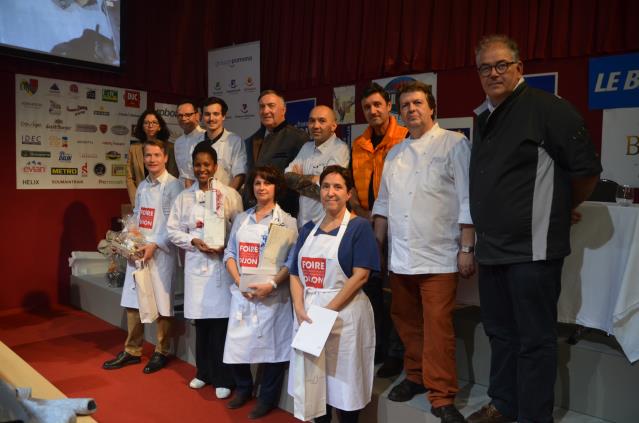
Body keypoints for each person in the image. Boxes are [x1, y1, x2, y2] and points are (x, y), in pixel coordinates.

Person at [466, 35, 601, 423]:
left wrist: (560, 207)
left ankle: (533, 416)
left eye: (501, 65)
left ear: (519, 67)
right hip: (492, 249)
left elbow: (586, 172)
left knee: (535, 341)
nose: (493, 73)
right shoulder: (485, 116)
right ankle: (503, 404)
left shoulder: (547, 109)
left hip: (534, 251)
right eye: (485, 67)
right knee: (499, 334)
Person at [372, 81, 474, 423]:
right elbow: (383, 204)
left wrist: (466, 247)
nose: (411, 109)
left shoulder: (455, 143)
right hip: (400, 257)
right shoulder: (396, 152)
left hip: (440, 256)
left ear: (431, 108)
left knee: (438, 327)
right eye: (405, 105)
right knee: (406, 321)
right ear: (399, 113)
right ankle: (415, 376)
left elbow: (467, 200)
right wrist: (377, 249)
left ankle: (442, 395)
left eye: (417, 103)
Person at [289, 165, 380, 423]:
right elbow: (295, 272)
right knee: (315, 385)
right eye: (326, 186)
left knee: (344, 386)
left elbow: (361, 275)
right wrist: (298, 306)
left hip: (344, 317)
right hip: (309, 318)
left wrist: (327, 310)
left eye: (338, 187)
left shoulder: (359, 227)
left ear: (349, 193)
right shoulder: (308, 229)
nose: (331, 192)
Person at [166, 141, 243, 399]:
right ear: (192, 166)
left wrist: (226, 247)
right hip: (197, 269)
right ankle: (203, 373)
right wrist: (192, 241)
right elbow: (172, 230)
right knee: (201, 324)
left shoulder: (229, 195)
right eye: (197, 165)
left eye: (206, 164)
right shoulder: (184, 197)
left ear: (216, 167)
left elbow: (240, 230)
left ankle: (224, 377)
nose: (202, 169)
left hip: (221, 269)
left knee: (220, 325)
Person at [223, 166, 298, 419]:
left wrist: (273, 285)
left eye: (267, 183)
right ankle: (244, 389)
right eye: (257, 183)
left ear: (276, 188)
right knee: (237, 345)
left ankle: (267, 398)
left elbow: (290, 261)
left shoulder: (287, 221)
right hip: (242, 294)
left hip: (272, 296)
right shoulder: (242, 219)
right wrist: (239, 280)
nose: (261, 188)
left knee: (274, 349)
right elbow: (230, 254)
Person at [103, 139, 183, 374]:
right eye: (148, 155)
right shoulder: (143, 187)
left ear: (165, 157)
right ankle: (132, 350)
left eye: (157, 155)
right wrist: (127, 241)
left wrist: (154, 245)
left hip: (161, 254)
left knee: (161, 303)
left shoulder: (174, 186)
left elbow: (174, 225)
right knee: (132, 301)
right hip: (138, 252)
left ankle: (161, 351)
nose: (152, 160)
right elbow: (137, 217)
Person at [350, 82, 408, 377]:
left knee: (398, 294)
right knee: (370, 292)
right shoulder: (358, 144)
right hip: (367, 227)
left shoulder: (405, 137)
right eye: (367, 107)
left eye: (377, 105)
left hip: (400, 228)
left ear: (388, 106)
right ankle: (378, 347)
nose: (372, 111)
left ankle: (398, 354)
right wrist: (363, 214)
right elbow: (354, 189)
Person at [285, 105, 350, 228]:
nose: (315, 126)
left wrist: (299, 179)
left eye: (322, 121)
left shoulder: (340, 149)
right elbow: (287, 177)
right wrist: (314, 179)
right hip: (302, 225)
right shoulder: (306, 147)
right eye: (312, 121)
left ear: (333, 126)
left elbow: (330, 191)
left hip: (327, 226)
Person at [244, 90, 308, 215]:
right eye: (262, 106)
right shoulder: (251, 140)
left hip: (284, 212)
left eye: (271, 106)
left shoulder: (299, 138)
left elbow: (299, 181)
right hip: (253, 212)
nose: (266, 111)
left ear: (283, 110)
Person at [126, 110, 179, 205]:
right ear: (142, 126)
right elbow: (130, 178)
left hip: (164, 200)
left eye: (154, 122)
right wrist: (136, 202)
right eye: (146, 123)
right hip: (142, 200)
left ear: (160, 126)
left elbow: (173, 174)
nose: (150, 125)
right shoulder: (134, 149)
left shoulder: (170, 148)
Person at [201, 97, 248, 191]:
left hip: (226, 198)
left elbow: (239, 175)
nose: (211, 118)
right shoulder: (195, 141)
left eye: (216, 114)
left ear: (223, 116)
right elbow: (190, 175)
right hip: (200, 199)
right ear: (202, 116)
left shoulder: (235, 141)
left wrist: (226, 197)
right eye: (207, 114)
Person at [174, 101, 205, 188]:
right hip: (180, 192)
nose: (183, 118)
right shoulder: (177, 142)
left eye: (188, 115)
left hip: (202, 190)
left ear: (197, 115)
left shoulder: (206, 138)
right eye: (180, 115)